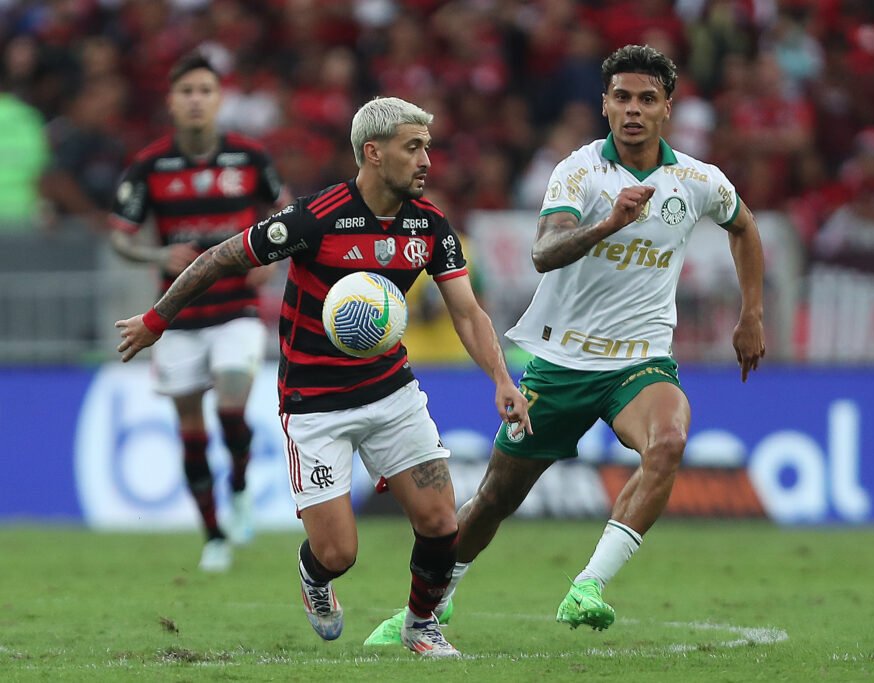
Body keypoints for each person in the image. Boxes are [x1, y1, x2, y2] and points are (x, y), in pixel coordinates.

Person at [365, 44, 765, 644]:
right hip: (560, 363)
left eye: (647, 100)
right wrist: (608, 224)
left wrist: (751, 314)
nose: (633, 110)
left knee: (670, 440)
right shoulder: (578, 171)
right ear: (604, 104)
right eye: (623, 97)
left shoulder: (698, 181)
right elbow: (543, 252)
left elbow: (745, 227)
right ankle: (428, 607)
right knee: (495, 499)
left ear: (667, 109)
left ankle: (588, 586)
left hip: (640, 363)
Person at [115, 96, 531, 657]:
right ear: (373, 153)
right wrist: (156, 320)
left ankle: (420, 625)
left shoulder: (429, 225)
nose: (427, 160)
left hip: (391, 392)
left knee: (439, 521)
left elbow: (467, 311)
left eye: (427, 147)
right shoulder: (315, 217)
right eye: (414, 148)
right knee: (338, 554)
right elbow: (220, 258)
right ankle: (315, 578)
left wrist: (502, 379)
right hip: (315, 404)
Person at [108, 52, 292, 572]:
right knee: (191, 429)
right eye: (186, 90)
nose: (195, 99)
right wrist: (156, 254)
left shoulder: (250, 159)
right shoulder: (149, 166)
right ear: (171, 100)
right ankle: (213, 535)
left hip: (235, 308)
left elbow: (288, 214)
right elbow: (120, 237)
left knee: (231, 407)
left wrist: (271, 259)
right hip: (177, 317)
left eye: (205, 90)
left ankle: (238, 488)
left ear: (218, 99)